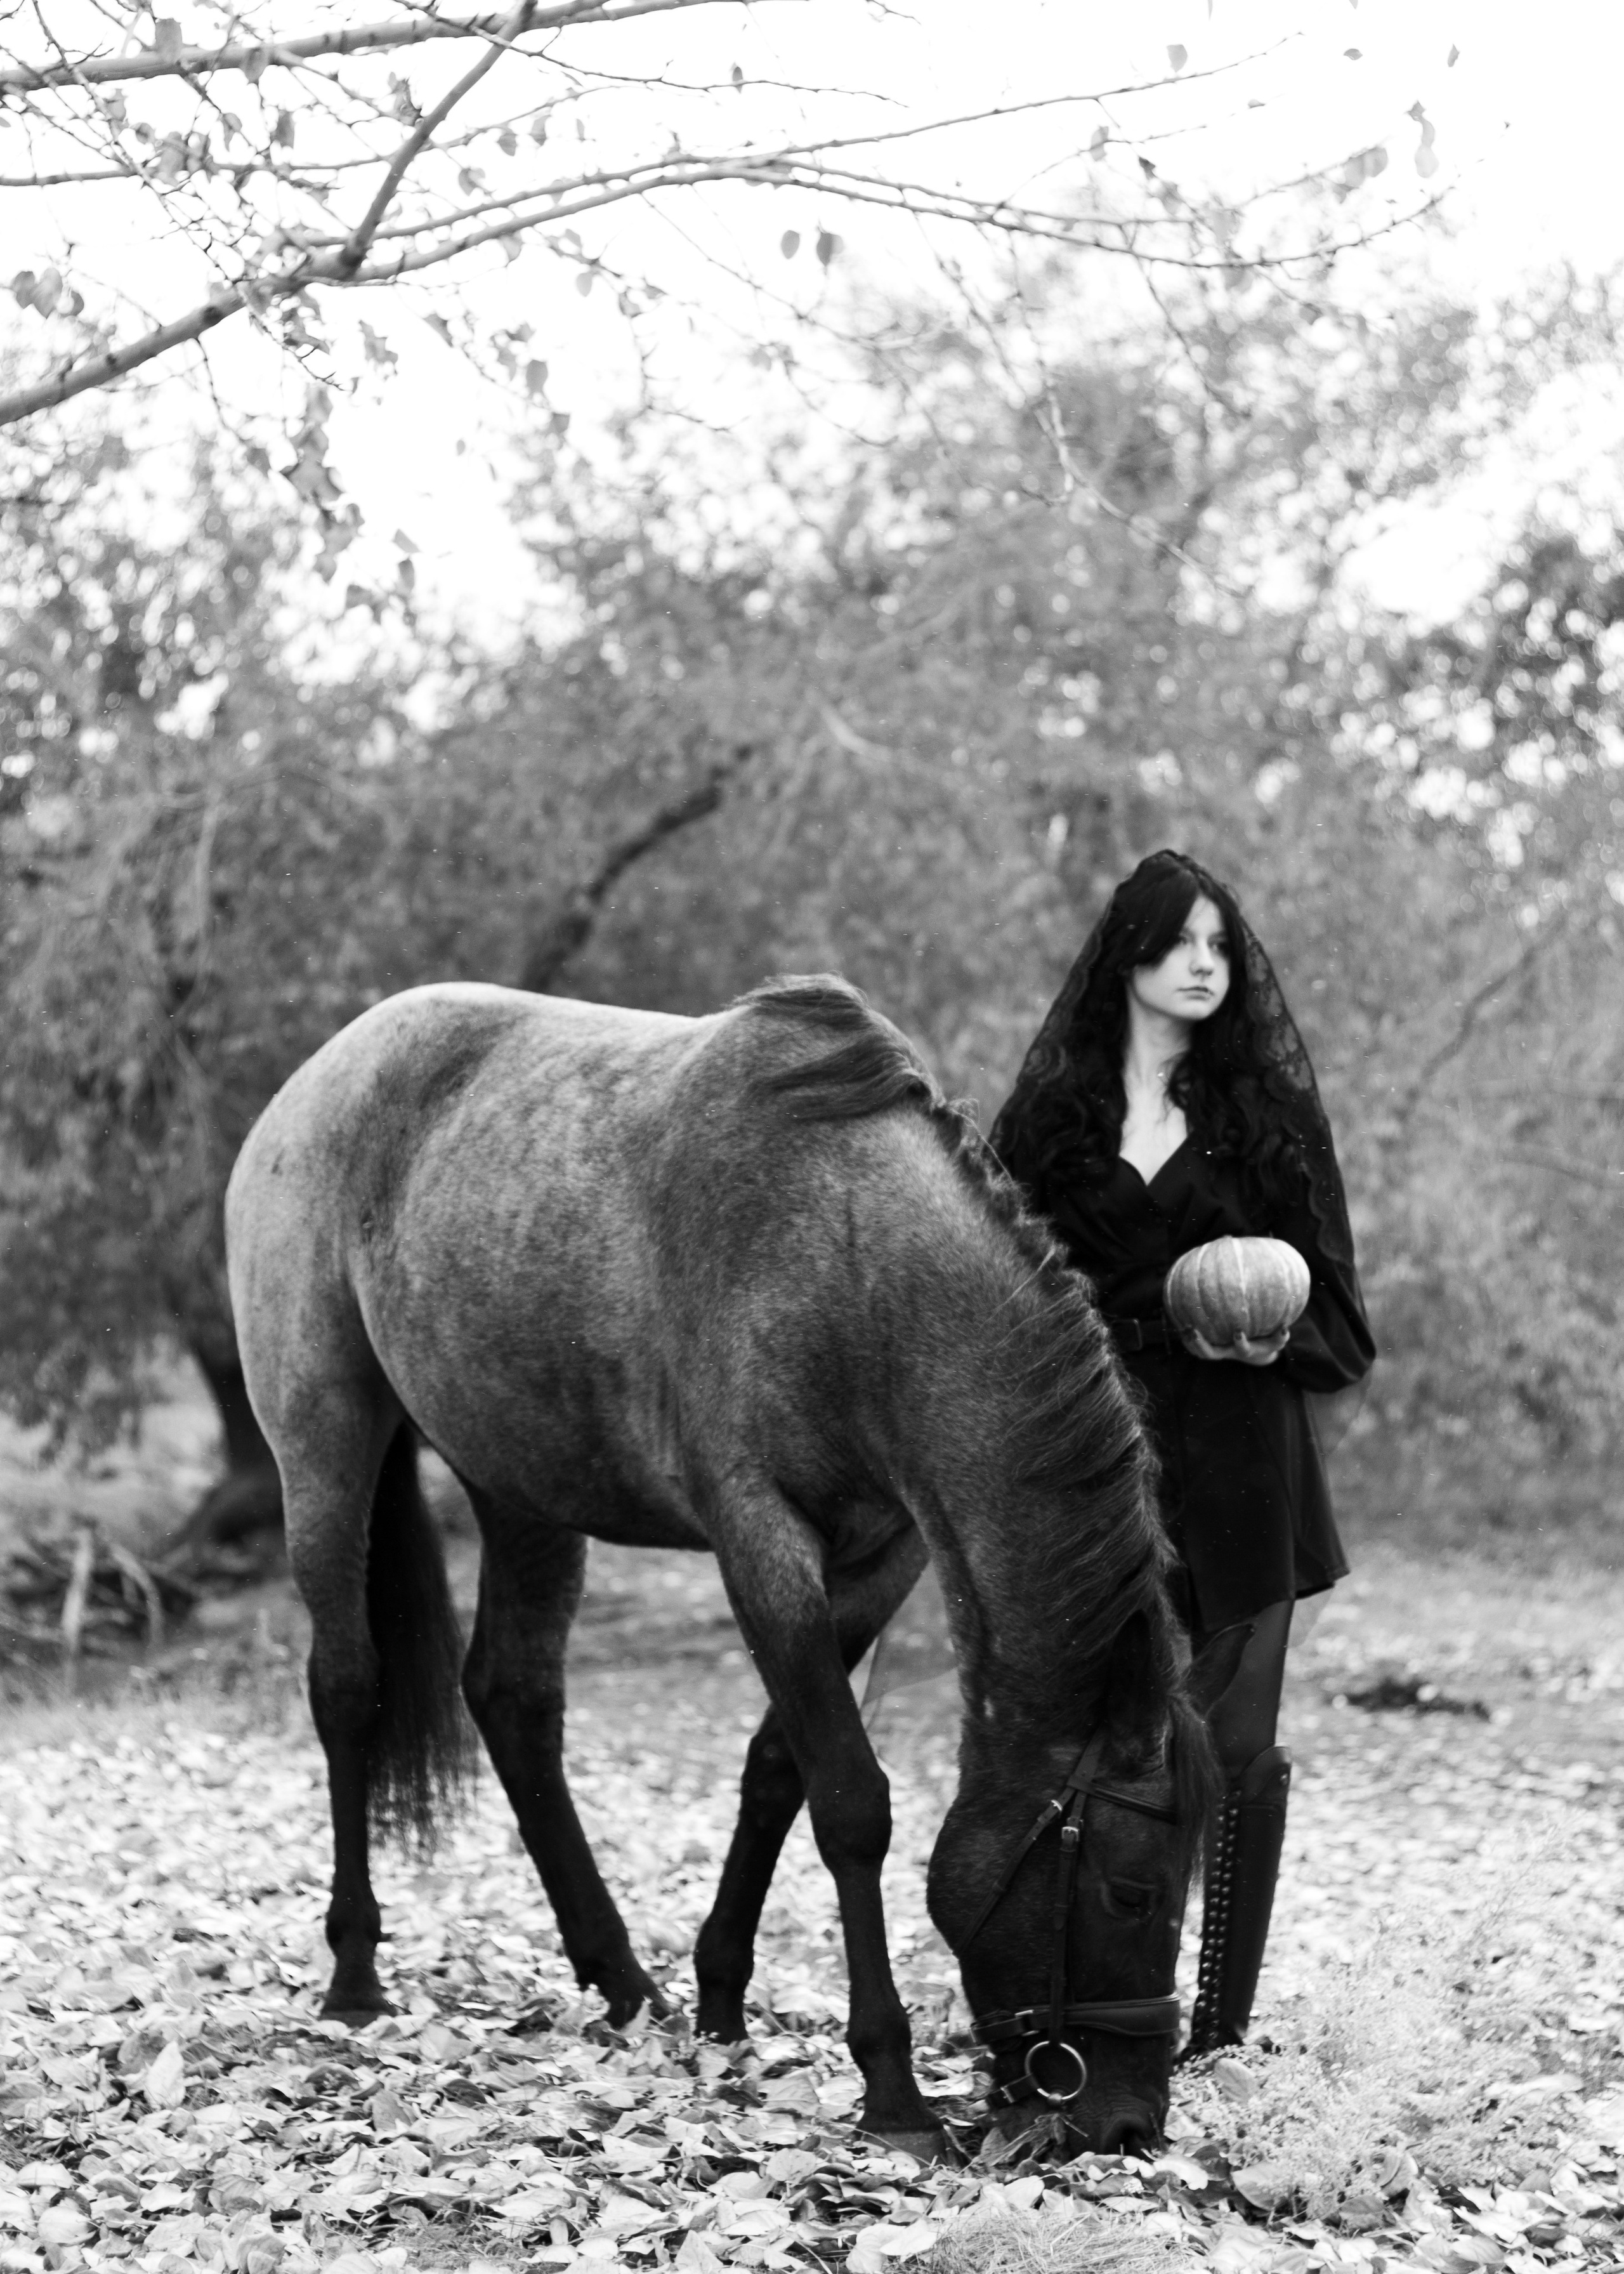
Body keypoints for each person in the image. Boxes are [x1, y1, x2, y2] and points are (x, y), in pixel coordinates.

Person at [988, 849, 1375, 2058]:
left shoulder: (1264, 1118)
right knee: (1095, 1741)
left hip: (1246, 1459)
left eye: (1221, 945)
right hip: (1099, 1463)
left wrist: (1269, 1335)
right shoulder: (1051, 1122)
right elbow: (996, 1301)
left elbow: (1343, 1321)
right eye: (1181, 942)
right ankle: (1084, 2005)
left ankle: (1219, 2027)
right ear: (1130, 955)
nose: (1206, 965)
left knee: (1239, 1754)